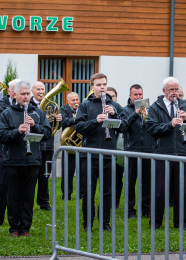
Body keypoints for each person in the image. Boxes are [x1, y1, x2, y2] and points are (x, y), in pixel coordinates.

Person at [0, 80, 51, 237]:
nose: (26, 97)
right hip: (12, 160)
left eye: (28, 94)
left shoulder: (37, 113)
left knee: (28, 196)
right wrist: (17, 132)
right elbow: (0, 135)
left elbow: (47, 134)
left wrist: (35, 126)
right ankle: (14, 228)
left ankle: (25, 228)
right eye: (23, 94)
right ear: (15, 95)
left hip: (32, 160)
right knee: (13, 196)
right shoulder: (7, 113)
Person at [75, 73, 127, 232]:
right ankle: (87, 224)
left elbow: (124, 127)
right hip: (89, 155)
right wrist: (95, 121)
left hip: (108, 155)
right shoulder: (85, 106)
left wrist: (114, 115)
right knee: (88, 192)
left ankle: (105, 223)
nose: (102, 87)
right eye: (98, 85)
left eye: (104, 84)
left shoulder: (115, 106)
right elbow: (79, 127)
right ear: (92, 87)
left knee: (107, 193)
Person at [146, 77, 186, 230]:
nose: (174, 93)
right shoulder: (155, 107)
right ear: (164, 90)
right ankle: (156, 223)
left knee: (182, 190)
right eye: (171, 90)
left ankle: (180, 223)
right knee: (159, 190)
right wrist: (169, 125)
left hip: (182, 152)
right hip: (162, 153)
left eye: (176, 89)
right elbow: (152, 129)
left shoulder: (184, 106)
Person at [0, 79, 20, 226]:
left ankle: (17, 219)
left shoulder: (27, 107)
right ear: (9, 91)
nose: (17, 94)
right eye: (15, 91)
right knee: (1, 184)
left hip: (20, 151)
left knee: (19, 186)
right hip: (3, 151)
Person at [121, 84, 152, 218]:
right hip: (131, 150)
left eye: (140, 94)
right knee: (130, 182)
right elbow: (123, 126)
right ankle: (129, 210)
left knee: (147, 182)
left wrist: (147, 116)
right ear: (130, 96)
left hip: (147, 150)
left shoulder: (150, 109)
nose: (138, 97)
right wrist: (135, 114)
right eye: (135, 95)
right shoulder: (125, 110)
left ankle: (145, 209)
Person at [30, 81, 62, 210]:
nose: (40, 92)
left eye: (42, 89)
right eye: (37, 89)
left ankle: (43, 202)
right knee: (31, 175)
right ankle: (29, 201)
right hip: (33, 145)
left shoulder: (51, 105)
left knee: (45, 174)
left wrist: (58, 121)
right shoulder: (28, 105)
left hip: (47, 145)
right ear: (32, 91)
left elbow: (54, 127)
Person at [59, 91, 83, 200]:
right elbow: (63, 122)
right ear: (68, 101)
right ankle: (67, 194)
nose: (76, 102)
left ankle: (81, 194)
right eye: (73, 100)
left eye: (77, 99)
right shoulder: (63, 109)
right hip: (68, 144)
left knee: (82, 171)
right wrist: (75, 120)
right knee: (67, 171)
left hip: (81, 144)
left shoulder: (82, 108)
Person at [106, 86, 124, 209]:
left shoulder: (118, 108)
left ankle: (116, 202)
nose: (110, 98)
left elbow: (123, 123)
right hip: (106, 147)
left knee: (118, 177)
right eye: (108, 96)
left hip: (118, 147)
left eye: (112, 96)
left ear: (116, 98)